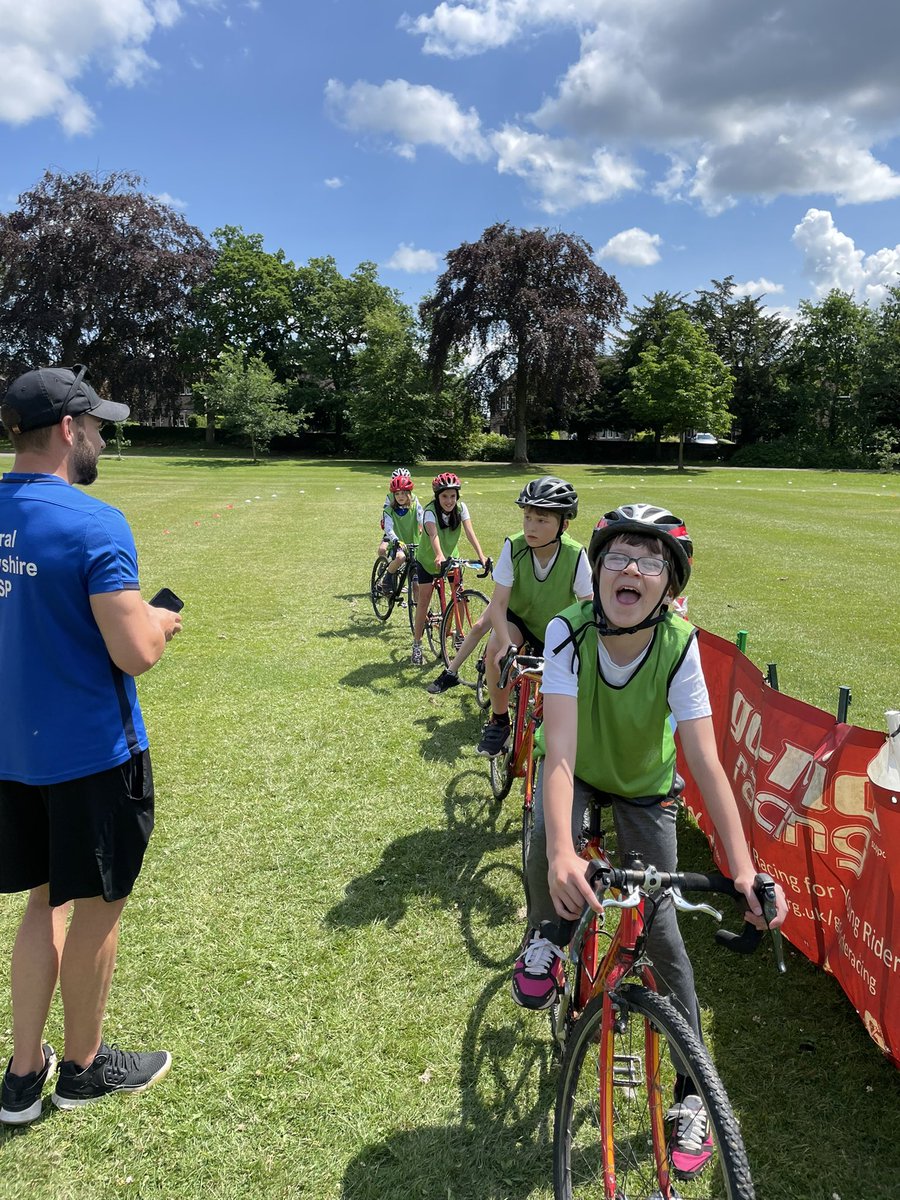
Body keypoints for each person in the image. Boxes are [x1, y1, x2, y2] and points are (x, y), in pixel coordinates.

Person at [513, 502, 788, 1178]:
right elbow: (560, 758)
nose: (631, 567)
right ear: (598, 569)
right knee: (544, 848)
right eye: (618, 555)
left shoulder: (680, 644)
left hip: (643, 786)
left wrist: (745, 868)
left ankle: (694, 1094)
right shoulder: (566, 632)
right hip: (576, 771)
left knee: (662, 932)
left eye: (651, 559)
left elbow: (704, 761)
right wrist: (559, 855)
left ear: (671, 585)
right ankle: (546, 934)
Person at [0, 365, 182, 1124]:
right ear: (70, 430)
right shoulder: (94, 521)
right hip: (93, 758)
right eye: (99, 426)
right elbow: (135, 651)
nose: (104, 439)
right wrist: (163, 622)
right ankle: (79, 1071)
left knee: (45, 900)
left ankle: (19, 1078)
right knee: (98, 909)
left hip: (12, 758)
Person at [411, 472, 487, 667]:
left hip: (451, 558)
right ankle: (417, 644)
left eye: (453, 496)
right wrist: (438, 554)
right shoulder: (429, 511)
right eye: (445, 496)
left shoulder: (462, 509)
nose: (449, 500)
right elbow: (433, 534)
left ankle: (459, 635)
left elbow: (470, 533)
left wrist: (481, 555)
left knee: (459, 596)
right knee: (424, 599)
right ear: (437, 496)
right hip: (428, 560)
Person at [377, 471, 422, 596]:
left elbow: (422, 518)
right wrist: (396, 540)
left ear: (409, 493)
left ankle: (419, 614)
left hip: (414, 544)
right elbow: (388, 528)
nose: (400, 496)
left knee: (417, 585)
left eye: (403, 493)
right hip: (398, 543)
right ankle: (387, 579)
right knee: (400, 557)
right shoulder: (389, 510)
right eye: (397, 494)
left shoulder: (415, 505)